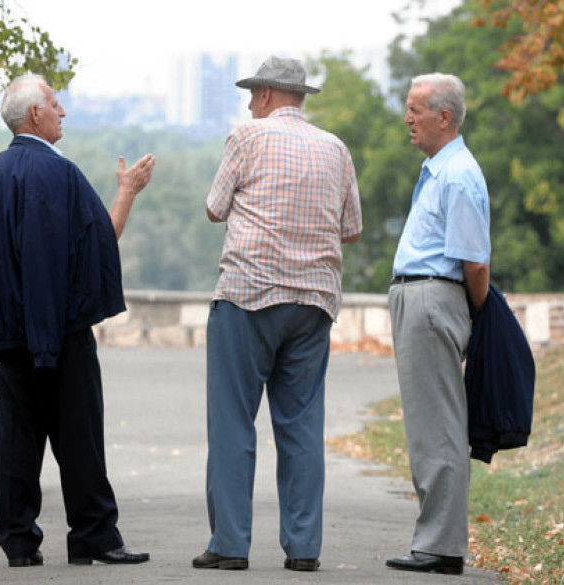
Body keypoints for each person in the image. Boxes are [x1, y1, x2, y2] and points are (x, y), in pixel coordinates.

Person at [0, 73, 155, 568]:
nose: (63, 113)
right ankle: (94, 535)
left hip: (7, 333)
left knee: (18, 437)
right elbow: (101, 240)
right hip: (59, 331)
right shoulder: (60, 174)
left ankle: (19, 543)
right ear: (34, 114)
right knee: (79, 431)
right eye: (56, 104)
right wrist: (127, 191)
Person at [192, 56, 362, 573]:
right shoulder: (336, 148)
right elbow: (351, 228)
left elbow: (214, 207)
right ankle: (304, 548)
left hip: (247, 295)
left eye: (252, 94)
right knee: (302, 426)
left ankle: (230, 544)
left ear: (267, 95)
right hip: (313, 303)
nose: (248, 103)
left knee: (233, 423)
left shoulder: (247, 137)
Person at [385, 73, 491, 576]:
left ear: (443, 117)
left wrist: (472, 314)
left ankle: (442, 546)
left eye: (416, 109)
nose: (407, 118)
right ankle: (436, 540)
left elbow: (474, 262)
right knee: (427, 426)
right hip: (420, 297)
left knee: (439, 427)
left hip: (433, 298)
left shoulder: (457, 174)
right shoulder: (438, 170)